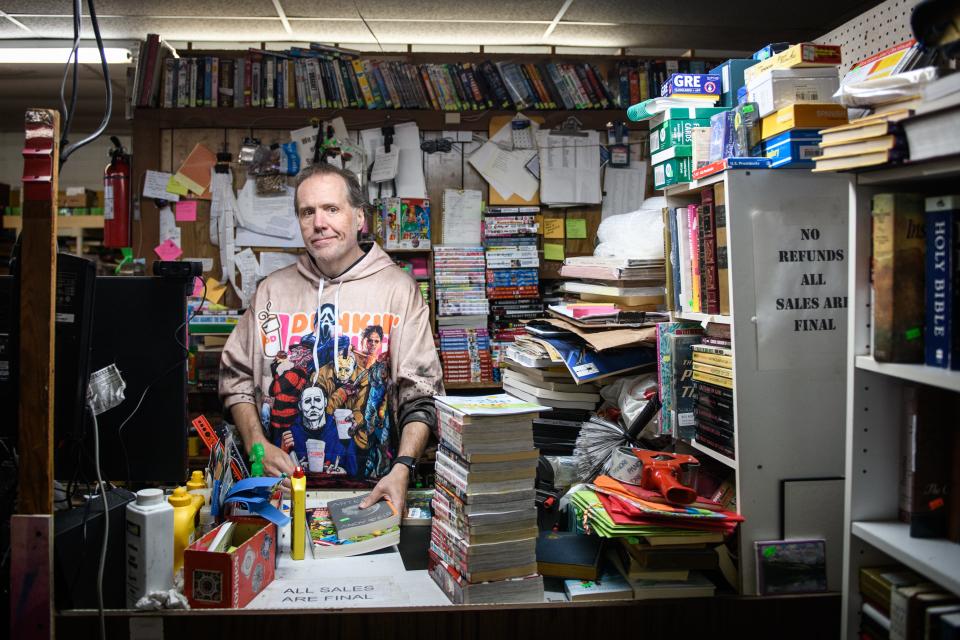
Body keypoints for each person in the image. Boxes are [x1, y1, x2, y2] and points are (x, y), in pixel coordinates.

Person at [220, 163, 443, 514]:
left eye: (331, 209)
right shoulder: (271, 291)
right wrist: (257, 446)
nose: (318, 223)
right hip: (278, 498)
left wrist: (403, 468)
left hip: (373, 497)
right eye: (307, 212)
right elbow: (236, 379)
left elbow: (421, 393)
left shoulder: (397, 290)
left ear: (359, 218)